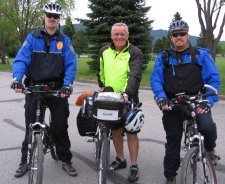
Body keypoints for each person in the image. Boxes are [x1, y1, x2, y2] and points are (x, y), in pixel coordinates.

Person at [11, 2, 77, 178]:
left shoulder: (65, 40)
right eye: (49, 15)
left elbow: (71, 65)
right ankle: (24, 161)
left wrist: (68, 84)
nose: (52, 19)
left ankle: (65, 160)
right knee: (31, 127)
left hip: (57, 90)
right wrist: (17, 79)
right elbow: (21, 60)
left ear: (59, 19)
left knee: (61, 127)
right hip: (34, 88)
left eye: (56, 17)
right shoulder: (32, 38)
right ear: (44, 16)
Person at [150, 20, 220, 184]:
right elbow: (156, 80)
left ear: (188, 35)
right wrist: (161, 98)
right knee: (173, 140)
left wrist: (208, 100)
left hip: (198, 101)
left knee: (207, 127)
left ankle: (209, 149)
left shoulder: (200, 55)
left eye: (182, 33)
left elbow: (213, 80)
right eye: (175, 34)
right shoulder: (164, 57)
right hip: (173, 103)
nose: (179, 37)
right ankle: (170, 175)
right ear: (171, 37)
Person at [97, 22, 144, 182]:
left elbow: (135, 75)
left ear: (127, 36)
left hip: (127, 98)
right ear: (111, 36)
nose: (119, 37)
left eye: (122, 34)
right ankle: (121, 159)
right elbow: (101, 71)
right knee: (115, 131)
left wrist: (126, 94)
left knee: (131, 131)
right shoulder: (104, 50)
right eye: (116, 34)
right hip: (110, 98)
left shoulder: (135, 52)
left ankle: (134, 165)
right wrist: (102, 86)